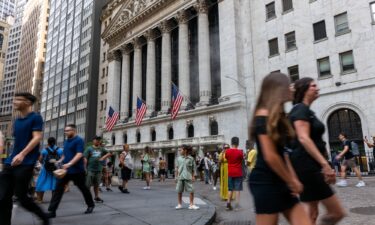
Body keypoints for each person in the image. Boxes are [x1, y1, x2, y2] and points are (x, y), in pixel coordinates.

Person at [249, 73, 312, 225]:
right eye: (288, 85)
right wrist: (291, 180)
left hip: (281, 180)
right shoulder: (262, 116)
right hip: (265, 183)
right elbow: (271, 156)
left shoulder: (278, 115)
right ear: (278, 89)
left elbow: (282, 153)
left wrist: (293, 178)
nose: (292, 88)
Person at [290, 77, 346, 224]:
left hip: (310, 166)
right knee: (337, 213)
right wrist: (325, 165)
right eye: (313, 86)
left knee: (312, 214)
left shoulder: (306, 110)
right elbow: (303, 138)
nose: (317, 88)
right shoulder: (300, 109)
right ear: (304, 90)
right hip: (309, 168)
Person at [0, 92, 50, 225]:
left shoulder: (36, 117)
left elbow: (37, 137)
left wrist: (22, 154)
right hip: (11, 161)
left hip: (26, 162)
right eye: (14, 99)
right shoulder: (17, 121)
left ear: (28, 102)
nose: (14, 102)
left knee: (22, 197)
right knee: (3, 196)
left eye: (18, 100)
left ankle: (44, 217)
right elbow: (16, 141)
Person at [47, 124, 95, 218]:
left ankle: (90, 205)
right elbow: (65, 155)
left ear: (74, 130)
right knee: (58, 190)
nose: (66, 132)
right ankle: (52, 211)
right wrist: (59, 161)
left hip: (77, 171)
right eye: (65, 131)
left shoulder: (79, 140)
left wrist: (69, 164)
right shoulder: (66, 141)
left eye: (68, 130)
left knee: (83, 188)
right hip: (65, 171)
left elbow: (79, 154)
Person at [35, 137, 63, 203]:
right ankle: (54, 200)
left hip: (46, 170)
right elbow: (63, 159)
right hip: (56, 170)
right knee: (55, 185)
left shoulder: (44, 150)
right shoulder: (60, 150)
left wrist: (44, 163)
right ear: (55, 142)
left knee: (41, 183)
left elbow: (40, 159)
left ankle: (40, 199)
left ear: (48, 143)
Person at [84, 136, 112, 203]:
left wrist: (103, 157)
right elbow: (85, 158)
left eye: (99, 140)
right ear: (93, 140)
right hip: (90, 169)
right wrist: (84, 168)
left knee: (96, 185)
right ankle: (87, 198)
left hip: (99, 170)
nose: (98, 141)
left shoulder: (102, 149)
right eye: (96, 140)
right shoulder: (89, 149)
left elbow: (109, 153)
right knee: (88, 185)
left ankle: (96, 197)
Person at [175, 145, 199, 210]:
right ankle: (179, 204)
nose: (180, 151)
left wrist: (193, 176)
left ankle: (191, 204)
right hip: (180, 177)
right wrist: (176, 177)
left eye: (181, 150)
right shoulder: (179, 158)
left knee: (191, 190)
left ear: (185, 150)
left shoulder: (191, 158)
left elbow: (193, 169)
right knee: (179, 191)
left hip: (188, 176)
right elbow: (177, 168)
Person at [224, 137, 244, 211]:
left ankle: (228, 205)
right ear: (238, 143)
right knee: (237, 189)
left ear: (231, 143)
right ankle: (237, 205)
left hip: (230, 172)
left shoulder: (227, 152)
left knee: (230, 189)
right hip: (238, 172)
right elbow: (241, 160)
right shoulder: (240, 152)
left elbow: (226, 158)